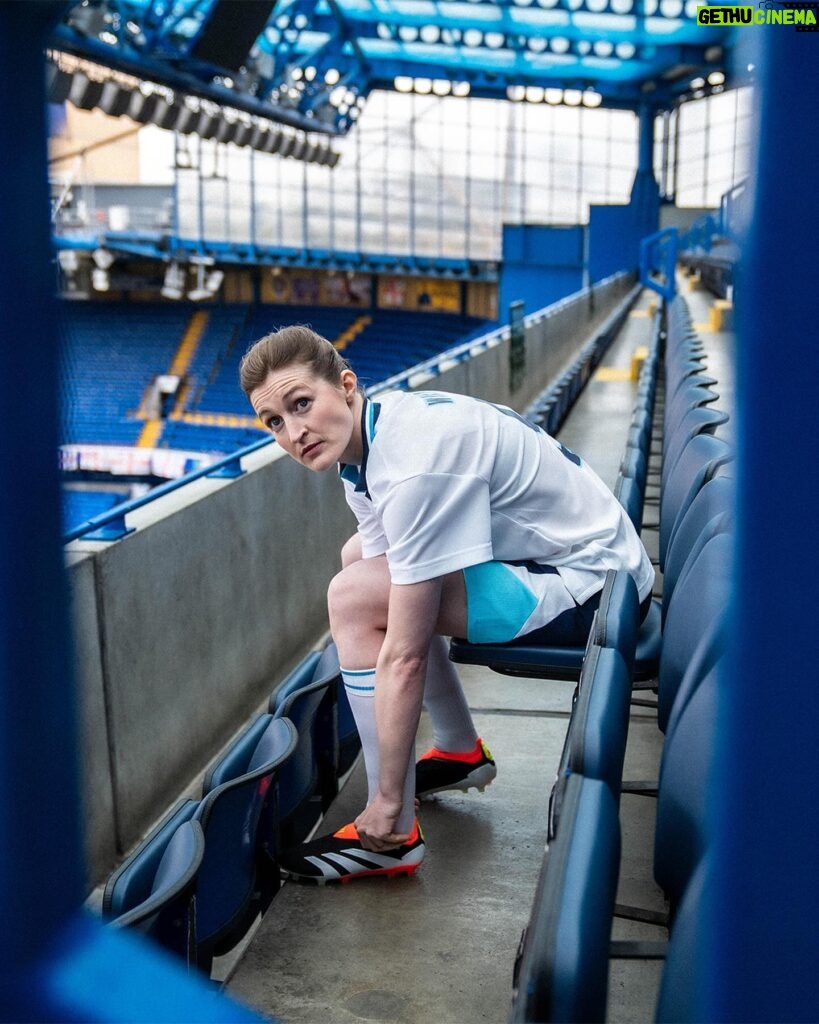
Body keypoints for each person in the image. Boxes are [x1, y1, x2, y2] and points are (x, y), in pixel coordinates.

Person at [240, 325, 654, 884]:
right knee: (357, 560)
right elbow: (390, 580)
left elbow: (404, 655)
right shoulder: (369, 441)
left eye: (301, 405)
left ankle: (392, 830)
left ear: (345, 385)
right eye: (275, 422)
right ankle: (459, 748)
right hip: (592, 566)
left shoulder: (411, 466)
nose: (294, 432)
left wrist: (388, 799)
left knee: (353, 599)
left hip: (597, 593)